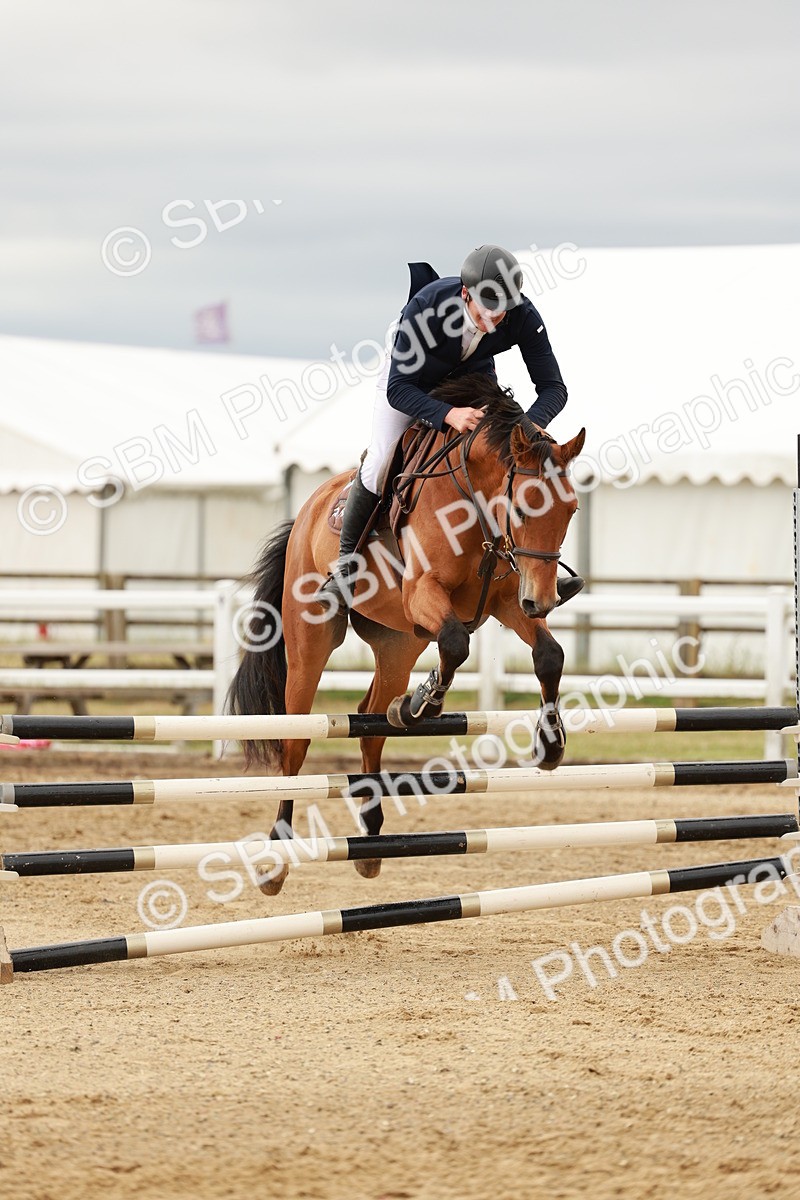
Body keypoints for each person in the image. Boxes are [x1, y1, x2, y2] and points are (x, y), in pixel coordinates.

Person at [316, 243, 584, 610]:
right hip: (411, 380)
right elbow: (398, 389)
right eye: (486, 309)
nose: (495, 318)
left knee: (519, 463)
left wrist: (527, 430)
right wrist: (447, 415)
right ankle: (345, 569)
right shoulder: (426, 310)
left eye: (503, 310)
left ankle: (533, 568)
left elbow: (553, 388)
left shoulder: (521, 314)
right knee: (379, 459)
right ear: (465, 294)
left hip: (472, 379)